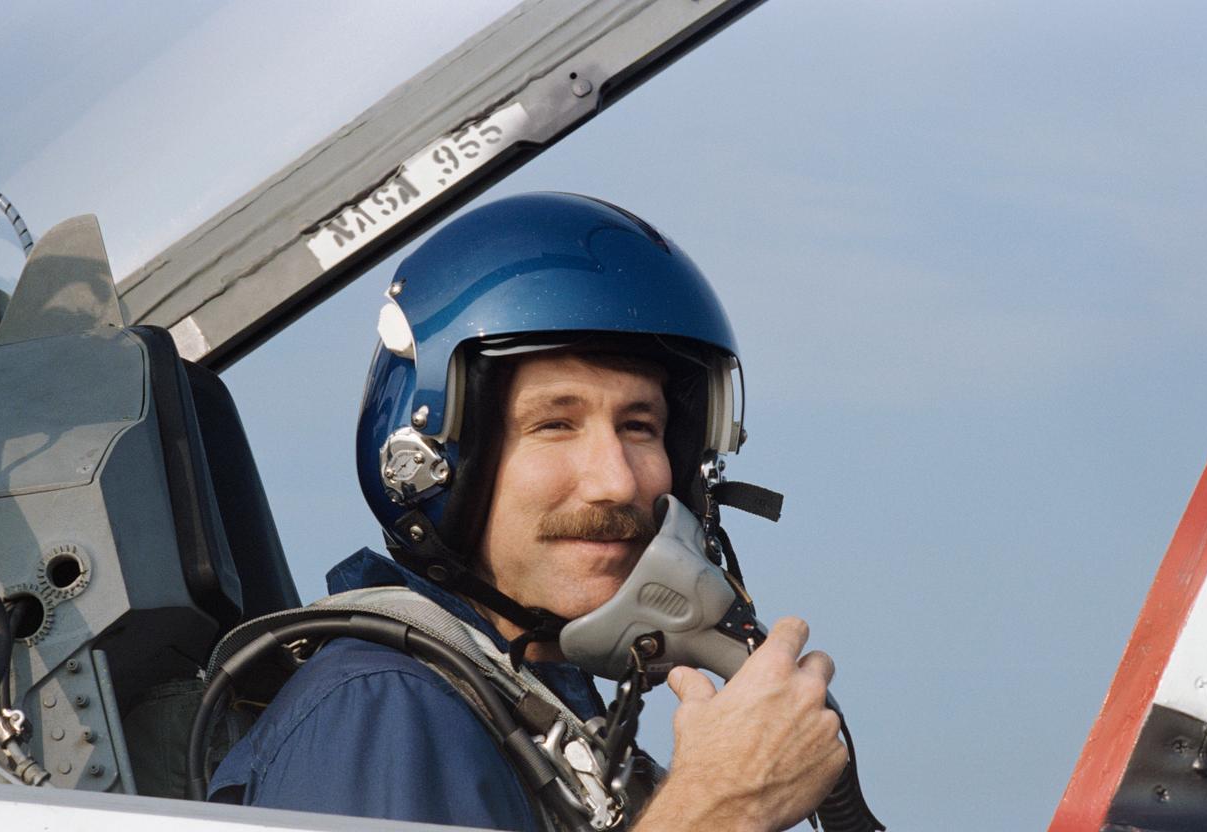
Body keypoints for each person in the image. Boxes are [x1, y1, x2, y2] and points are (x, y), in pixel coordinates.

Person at [208, 193, 849, 830]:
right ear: (438, 462)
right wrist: (718, 810)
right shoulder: (381, 707)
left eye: (639, 426)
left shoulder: (542, 730)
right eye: (554, 424)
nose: (616, 482)